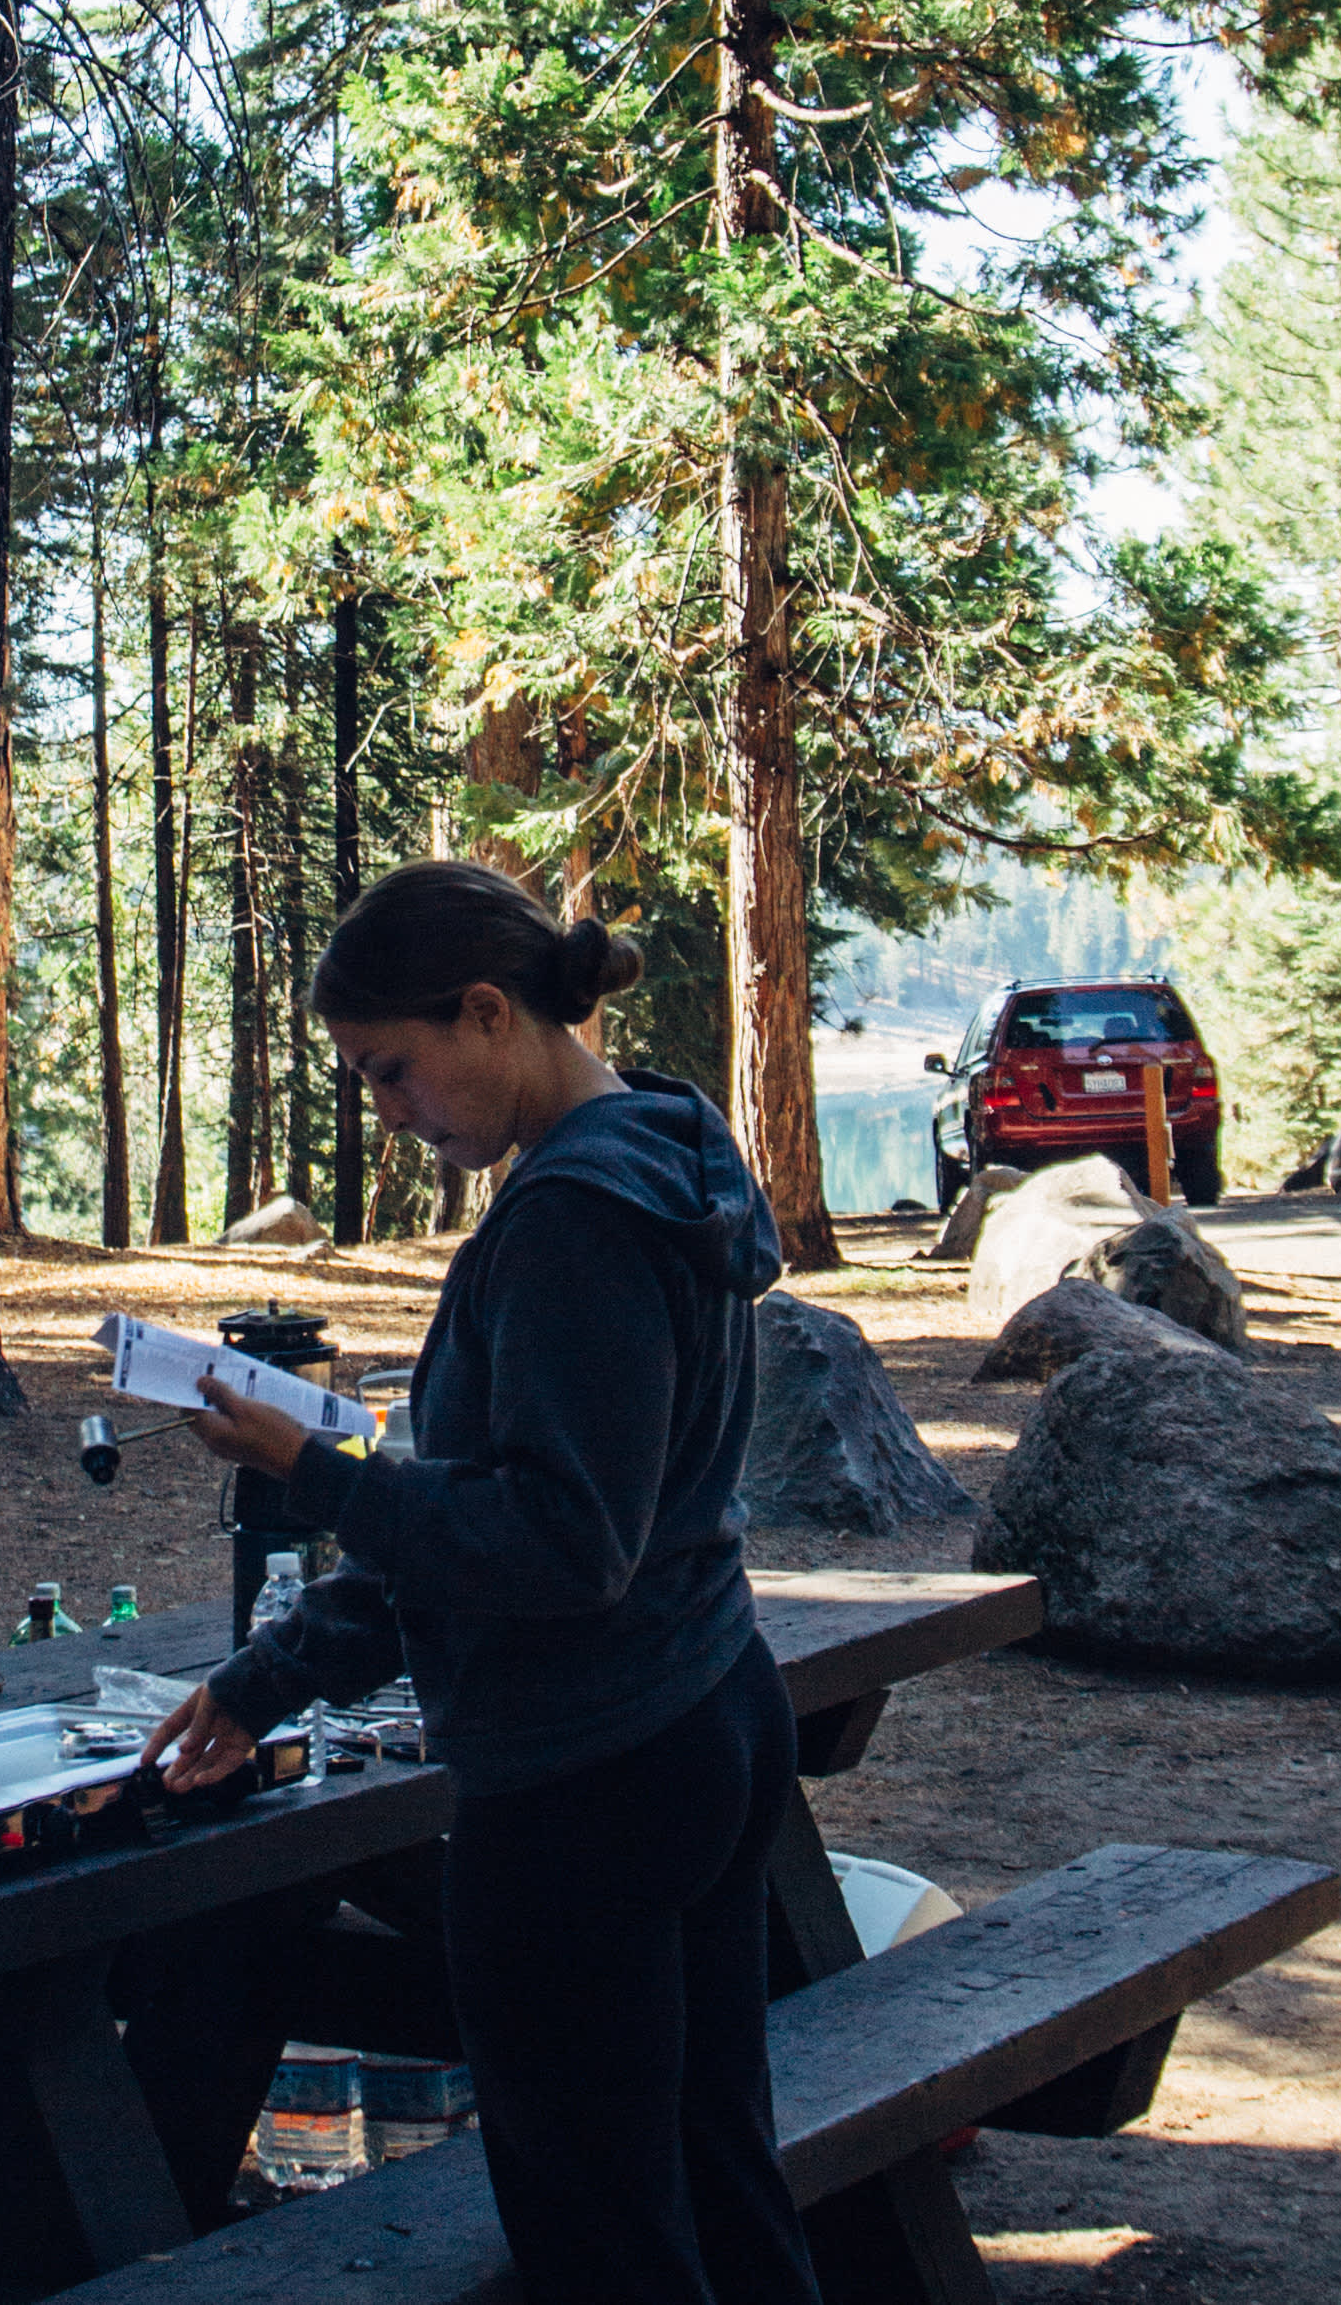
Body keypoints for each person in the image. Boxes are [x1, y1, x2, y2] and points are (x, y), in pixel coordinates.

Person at [145, 857, 822, 2305]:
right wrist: (270, 1680)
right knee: (714, 2170)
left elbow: (560, 1546)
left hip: (590, 1778)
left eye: (394, 1073)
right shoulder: (668, 1148)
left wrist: (314, 1475)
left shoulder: (573, 1219)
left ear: (487, 1013)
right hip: (707, 1707)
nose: (388, 1113)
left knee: (599, 2226)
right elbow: (507, 1508)